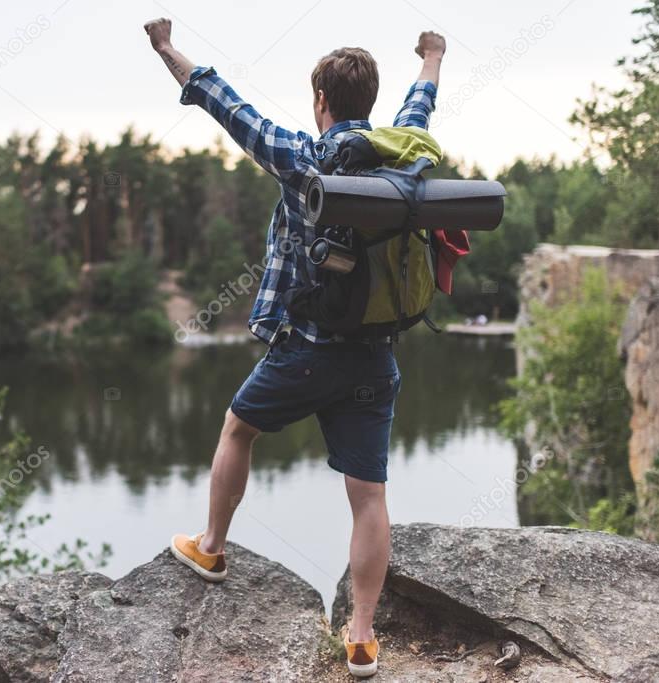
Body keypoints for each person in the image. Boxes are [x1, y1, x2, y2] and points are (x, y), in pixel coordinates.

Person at [144, 17, 445, 679]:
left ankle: (213, 546)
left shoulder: (299, 156)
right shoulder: (401, 155)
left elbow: (225, 103)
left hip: (304, 350)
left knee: (237, 427)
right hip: (376, 356)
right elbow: (419, 104)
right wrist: (432, 55)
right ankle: (361, 636)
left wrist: (167, 47)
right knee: (368, 496)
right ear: (369, 102)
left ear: (320, 102)